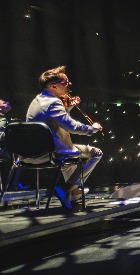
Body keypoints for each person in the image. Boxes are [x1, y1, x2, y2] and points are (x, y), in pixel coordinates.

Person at [26, 66, 103, 210]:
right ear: (54, 86)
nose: (70, 84)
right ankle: (67, 188)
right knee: (95, 153)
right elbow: (71, 127)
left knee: (71, 156)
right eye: (66, 82)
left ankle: (72, 192)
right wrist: (93, 129)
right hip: (51, 152)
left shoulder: (38, 100)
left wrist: (68, 108)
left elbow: (54, 121)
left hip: (32, 152)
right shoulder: (53, 102)